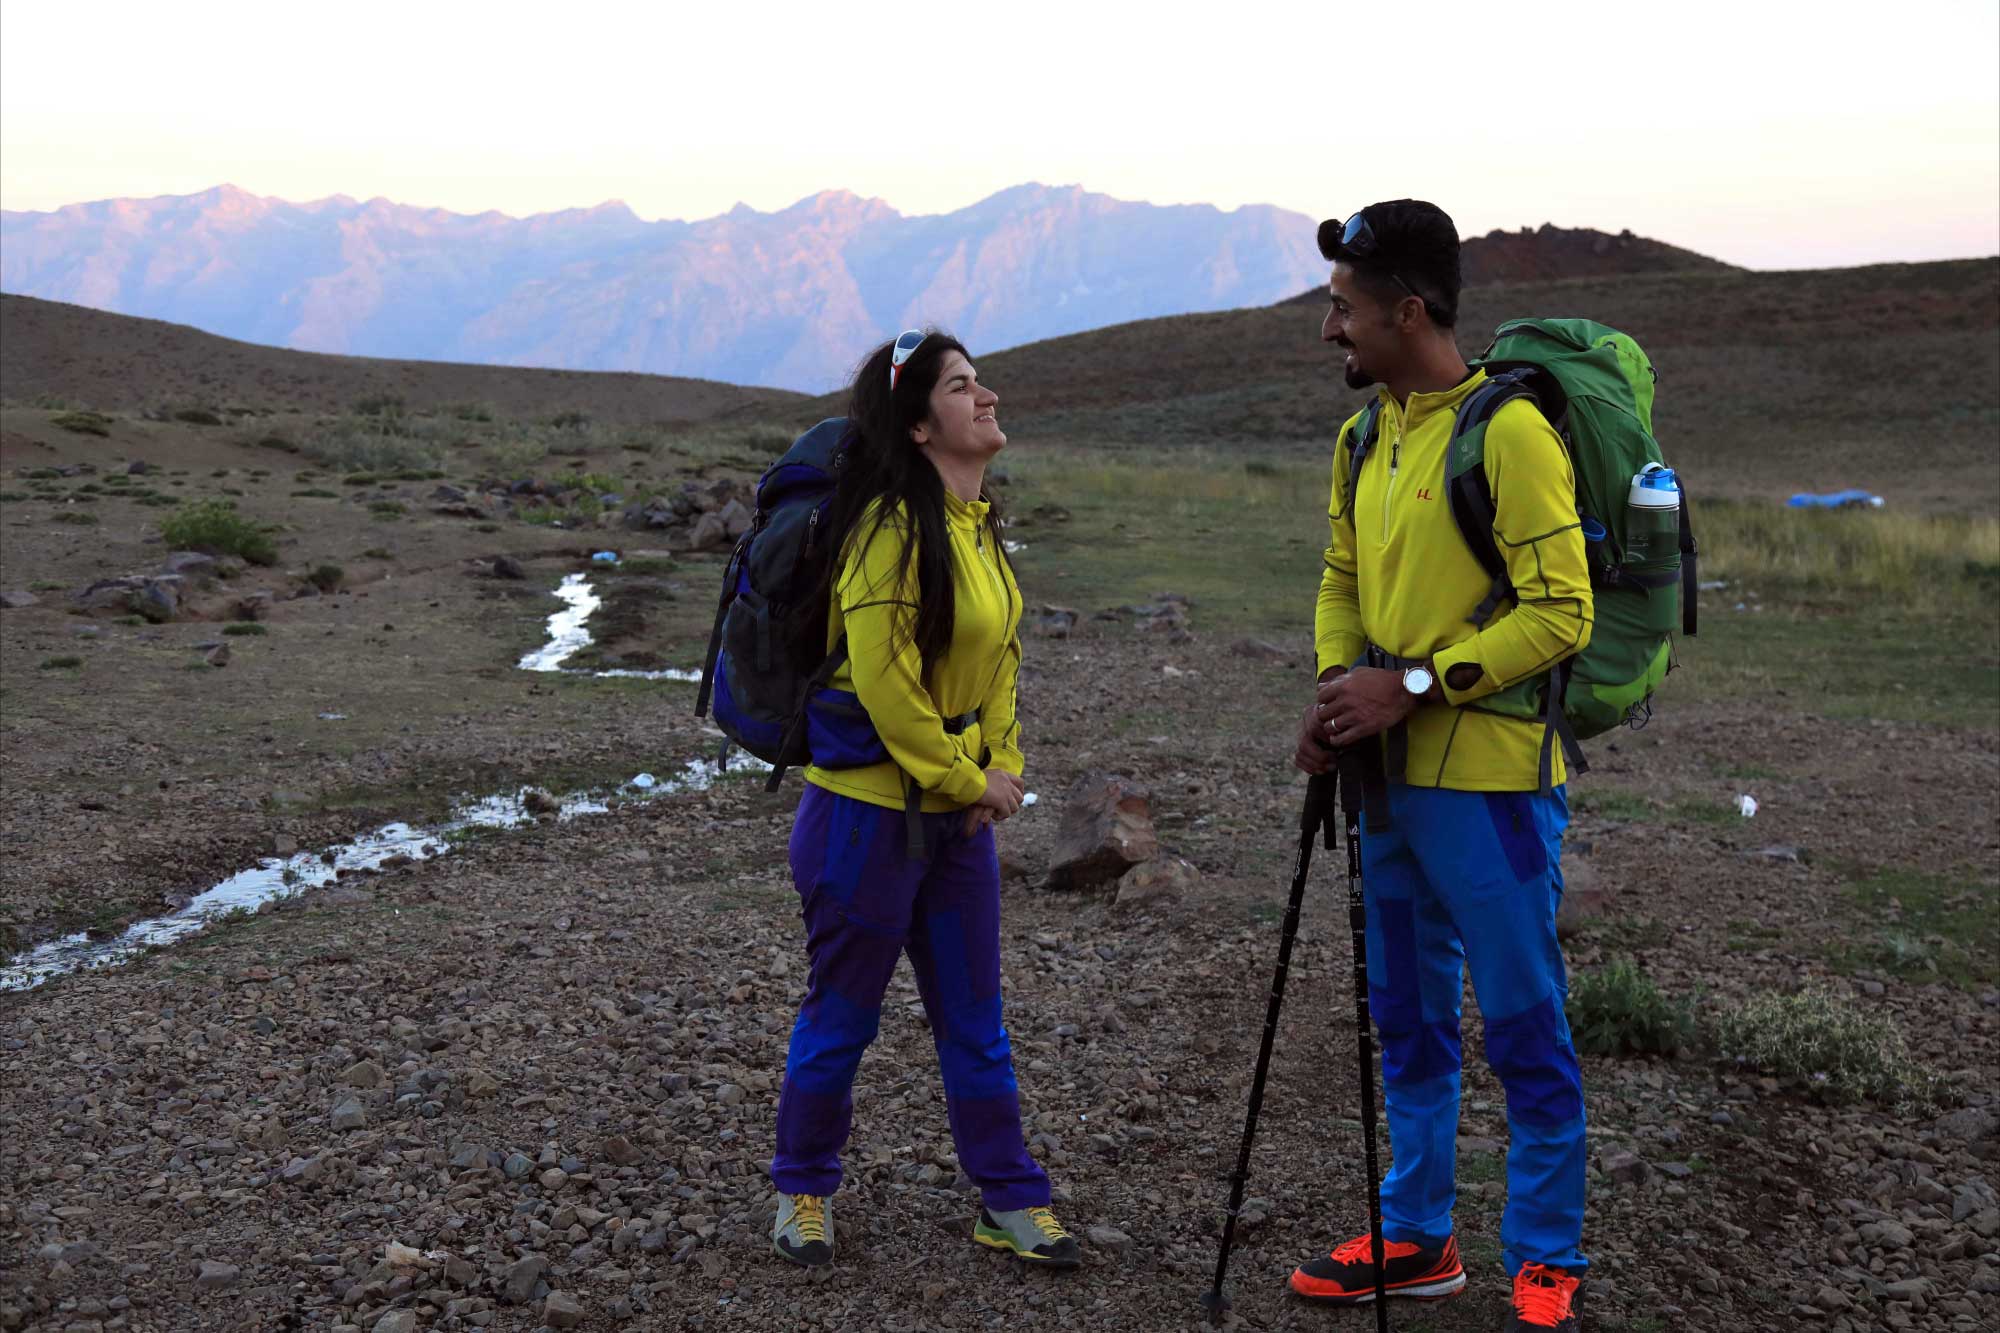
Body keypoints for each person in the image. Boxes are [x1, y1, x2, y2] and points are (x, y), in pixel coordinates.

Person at [1287, 202, 1593, 1332]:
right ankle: (1417, 1235)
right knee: (1408, 1015)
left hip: (1493, 783)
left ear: (1408, 313)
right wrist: (1338, 689)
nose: (1330, 329)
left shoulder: (1507, 434)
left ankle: (1545, 1256)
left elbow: (1561, 611)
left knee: (1522, 1017)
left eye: (1344, 309)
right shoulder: (1362, 436)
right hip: (1386, 780)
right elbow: (1340, 578)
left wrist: (1410, 685)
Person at [767, 328, 1081, 1270]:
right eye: (960, 386)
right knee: (842, 1019)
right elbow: (886, 686)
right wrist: (968, 779)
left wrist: (1003, 766)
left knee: (976, 1023)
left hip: (956, 823)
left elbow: (1001, 660)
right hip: (862, 818)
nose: (986, 397)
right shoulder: (886, 533)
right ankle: (802, 1189)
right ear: (915, 425)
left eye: (980, 381)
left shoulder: (977, 525)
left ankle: (1009, 1197)